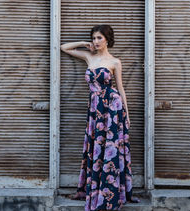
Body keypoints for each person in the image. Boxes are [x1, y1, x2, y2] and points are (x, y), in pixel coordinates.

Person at [60, 25, 140, 211]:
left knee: (110, 148)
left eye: (99, 38)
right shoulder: (89, 56)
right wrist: (83, 43)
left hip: (112, 108)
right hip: (95, 109)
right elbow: (64, 47)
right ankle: (94, 189)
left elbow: (120, 89)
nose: (95, 41)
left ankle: (109, 193)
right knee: (95, 146)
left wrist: (126, 114)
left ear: (107, 40)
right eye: (94, 38)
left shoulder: (115, 62)